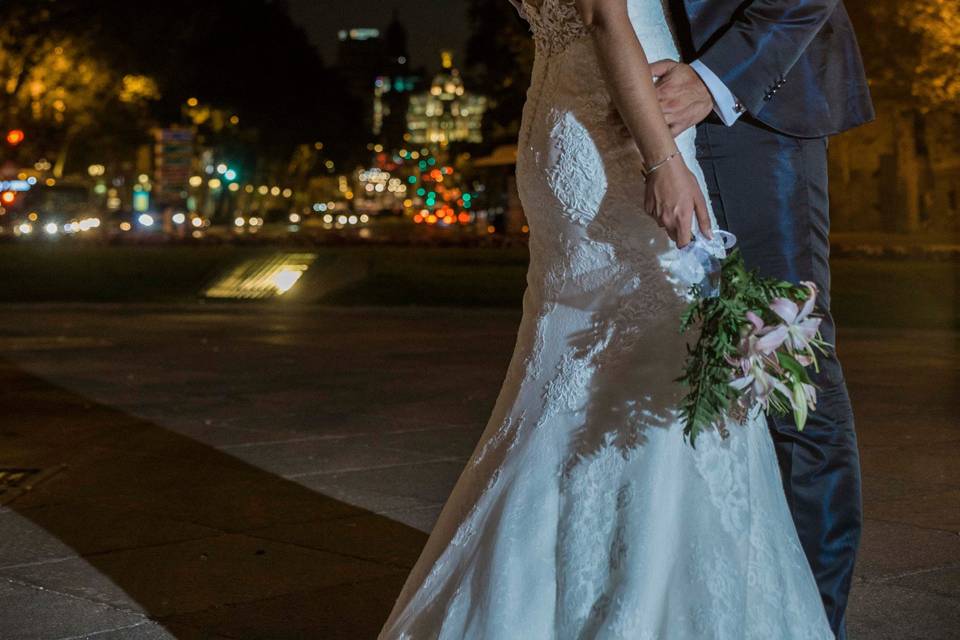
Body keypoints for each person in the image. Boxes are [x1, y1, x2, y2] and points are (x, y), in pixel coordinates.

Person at [380, 0, 869, 637]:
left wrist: (717, 78)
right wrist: (663, 155)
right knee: (652, 370)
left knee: (787, 374)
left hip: (750, 108)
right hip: (622, 115)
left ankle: (809, 620)